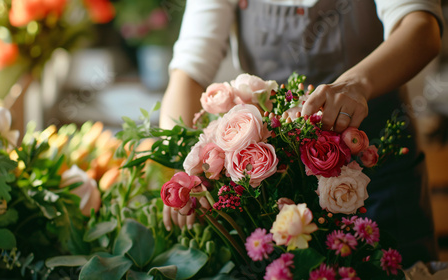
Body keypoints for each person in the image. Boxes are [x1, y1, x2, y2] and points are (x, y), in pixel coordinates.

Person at [159, 0, 444, 268]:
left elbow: (421, 27)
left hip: (381, 175)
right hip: (278, 193)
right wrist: (184, 172)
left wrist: (357, 84)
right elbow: (189, 71)